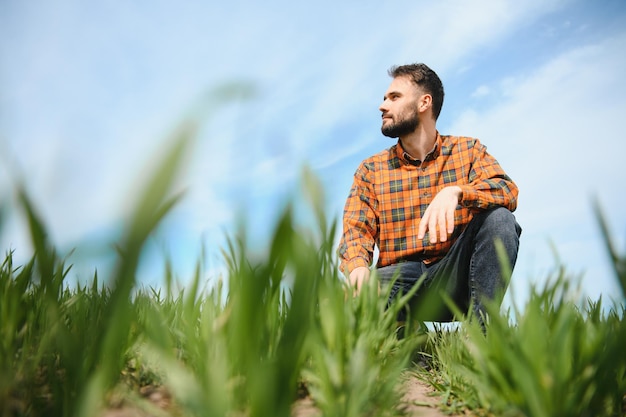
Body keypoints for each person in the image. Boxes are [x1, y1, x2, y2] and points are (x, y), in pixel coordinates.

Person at [337, 63, 521, 324]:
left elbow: (507, 190)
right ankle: (410, 347)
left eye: (394, 97)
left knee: (500, 219)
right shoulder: (371, 170)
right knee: (340, 299)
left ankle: (480, 338)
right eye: (384, 98)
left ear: (424, 103)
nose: (382, 106)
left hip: (455, 276)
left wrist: (457, 192)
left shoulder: (468, 150)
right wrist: (356, 268)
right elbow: (356, 230)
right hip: (399, 285)